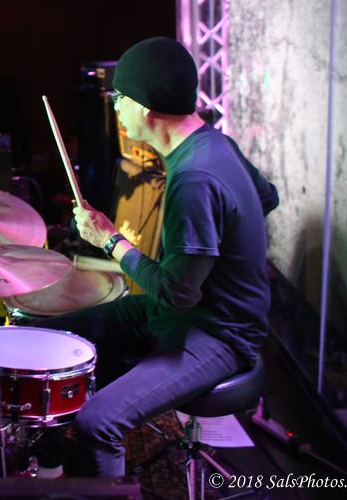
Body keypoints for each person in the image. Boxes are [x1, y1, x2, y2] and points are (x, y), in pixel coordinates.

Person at [34, 37, 279, 477]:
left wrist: (109, 240)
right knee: (53, 344)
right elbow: (266, 197)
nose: (114, 107)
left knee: (98, 423)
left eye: (118, 97)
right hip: (194, 312)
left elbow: (174, 294)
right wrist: (221, 248)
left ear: (145, 108)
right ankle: (49, 468)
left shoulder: (195, 178)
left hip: (220, 333)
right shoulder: (215, 143)